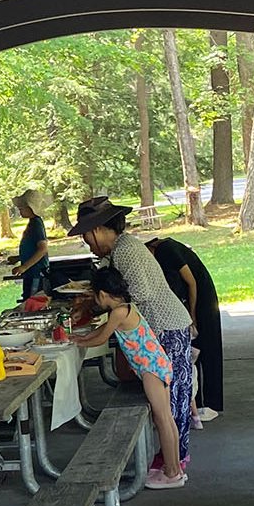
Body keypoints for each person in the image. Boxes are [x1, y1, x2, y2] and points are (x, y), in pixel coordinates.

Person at [73, 196, 197, 474]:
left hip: (165, 324)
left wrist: (102, 306)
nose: (88, 244)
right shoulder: (120, 249)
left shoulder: (126, 250)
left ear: (95, 230)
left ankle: (175, 462)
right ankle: (170, 458)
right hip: (161, 326)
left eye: (86, 238)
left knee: (170, 404)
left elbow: (140, 293)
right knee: (169, 403)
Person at [70, 266, 186, 489]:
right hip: (158, 364)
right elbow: (102, 329)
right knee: (167, 418)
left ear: (102, 294)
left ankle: (171, 472)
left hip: (150, 369)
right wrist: (80, 337)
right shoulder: (125, 308)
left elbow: (102, 337)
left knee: (162, 419)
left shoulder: (118, 313)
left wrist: (78, 342)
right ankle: (176, 469)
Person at [147, 235, 224, 418]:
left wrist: (192, 313)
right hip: (191, 300)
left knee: (208, 347)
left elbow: (191, 282)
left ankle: (211, 404)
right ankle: (197, 402)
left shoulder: (167, 249)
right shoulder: (163, 251)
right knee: (196, 352)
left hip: (202, 298)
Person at [10, 189, 52, 300]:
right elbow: (32, 248)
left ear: (30, 208)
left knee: (32, 301)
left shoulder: (36, 224)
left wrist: (24, 267)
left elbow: (42, 249)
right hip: (31, 273)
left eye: (21, 208)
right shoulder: (32, 223)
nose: (20, 211)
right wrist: (19, 258)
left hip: (36, 273)